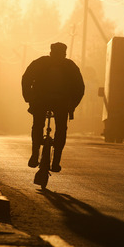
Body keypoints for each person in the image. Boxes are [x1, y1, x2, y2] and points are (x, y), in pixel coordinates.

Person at [22, 42, 84, 172]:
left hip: (45, 102)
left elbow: (26, 78)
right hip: (55, 103)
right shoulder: (69, 66)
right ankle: (53, 161)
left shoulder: (41, 63)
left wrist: (30, 98)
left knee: (39, 125)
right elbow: (80, 88)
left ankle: (37, 156)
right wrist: (72, 106)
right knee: (59, 128)